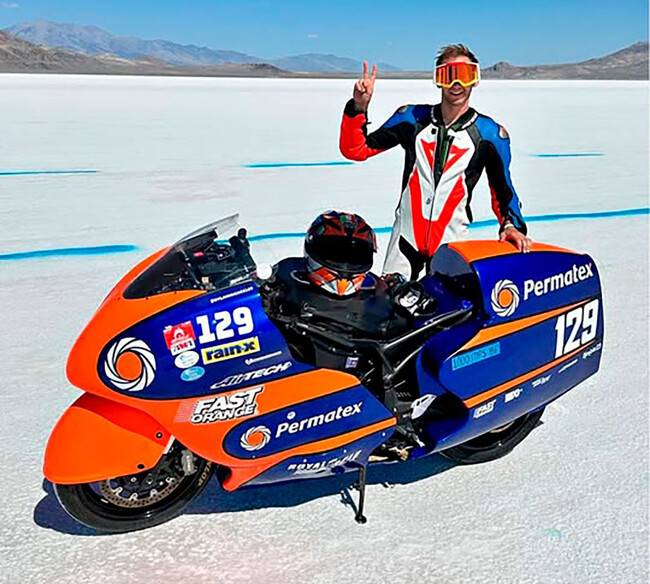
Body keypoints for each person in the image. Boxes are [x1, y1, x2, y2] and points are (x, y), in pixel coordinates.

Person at [339, 44, 532, 280]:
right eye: (448, 75)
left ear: (475, 79)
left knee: (449, 303)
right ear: (438, 80)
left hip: (452, 247)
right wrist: (359, 107)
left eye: (464, 75)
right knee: (390, 300)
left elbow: (503, 190)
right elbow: (356, 150)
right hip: (404, 242)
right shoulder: (412, 119)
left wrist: (511, 226)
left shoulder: (489, 135)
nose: (456, 84)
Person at [260, 211, 435, 345]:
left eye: (355, 257)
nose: (344, 267)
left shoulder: (380, 292)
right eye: (334, 253)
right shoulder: (287, 272)